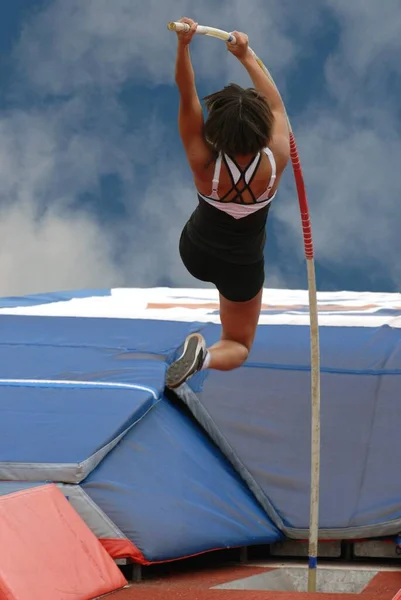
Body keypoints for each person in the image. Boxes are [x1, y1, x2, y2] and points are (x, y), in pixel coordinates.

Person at [166, 17, 290, 389]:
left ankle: (201, 354)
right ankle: (205, 357)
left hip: (195, 251)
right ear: (263, 129)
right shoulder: (276, 159)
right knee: (238, 344)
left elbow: (187, 93)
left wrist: (184, 44)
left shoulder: (204, 162)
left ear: (216, 130)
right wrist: (246, 56)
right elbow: (279, 108)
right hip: (242, 268)